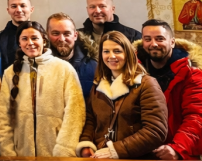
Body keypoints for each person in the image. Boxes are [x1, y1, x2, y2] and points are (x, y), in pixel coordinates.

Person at [0, 21, 85, 157]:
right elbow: (4, 116)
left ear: (44, 40)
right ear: (19, 43)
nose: (30, 43)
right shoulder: (10, 73)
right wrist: (7, 151)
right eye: (24, 39)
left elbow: (75, 113)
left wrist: (64, 149)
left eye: (35, 38)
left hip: (56, 153)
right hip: (22, 154)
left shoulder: (64, 69)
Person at [77, 31, 167, 159]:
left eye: (117, 51)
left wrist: (115, 151)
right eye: (106, 51)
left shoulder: (146, 84)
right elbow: (91, 120)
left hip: (135, 157)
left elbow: (155, 131)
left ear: (128, 53)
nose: (111, 56)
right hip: (101, 156)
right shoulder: (98, 85)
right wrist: (86, 145)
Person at [137, 19, 202, 160]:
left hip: (177, 152)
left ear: (172, 42)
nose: (153, 44)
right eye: (147, 39)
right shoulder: (132, 70)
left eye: (159, 39)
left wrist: (177, 148)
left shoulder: (191, 73)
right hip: (139, 150)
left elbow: (196, 116)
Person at [47, 13, 98, 99]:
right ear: (48, 35)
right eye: (55, 33)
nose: (62, 39)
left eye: (67, 34)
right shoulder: (39, 67)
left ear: (75, 35)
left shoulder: (93, 66)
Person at [0, 0, 34, 72]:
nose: (18, 10)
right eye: (14, 6)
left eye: (23, 6)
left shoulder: (42, 37)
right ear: (8, 10)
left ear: (31, 9)